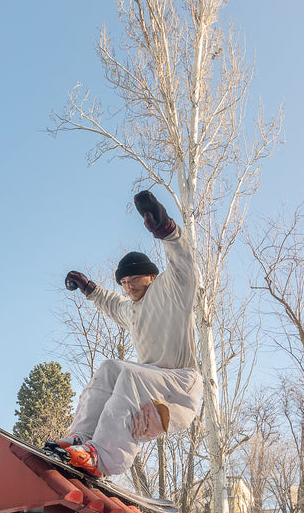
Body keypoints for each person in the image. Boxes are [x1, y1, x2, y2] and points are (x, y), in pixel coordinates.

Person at [50, 190, 203, 477]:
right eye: (124, 282)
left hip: (182, 383)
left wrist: (166, 230)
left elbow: (184, 263)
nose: (129, 287)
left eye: (134, 279)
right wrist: (88, 288)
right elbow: (110, 303)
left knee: (132, 374)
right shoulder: (131, 309)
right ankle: (82, 441)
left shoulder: (172, 290)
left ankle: (106, 457)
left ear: (151, 276)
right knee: (110, 368)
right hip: (153, 383)